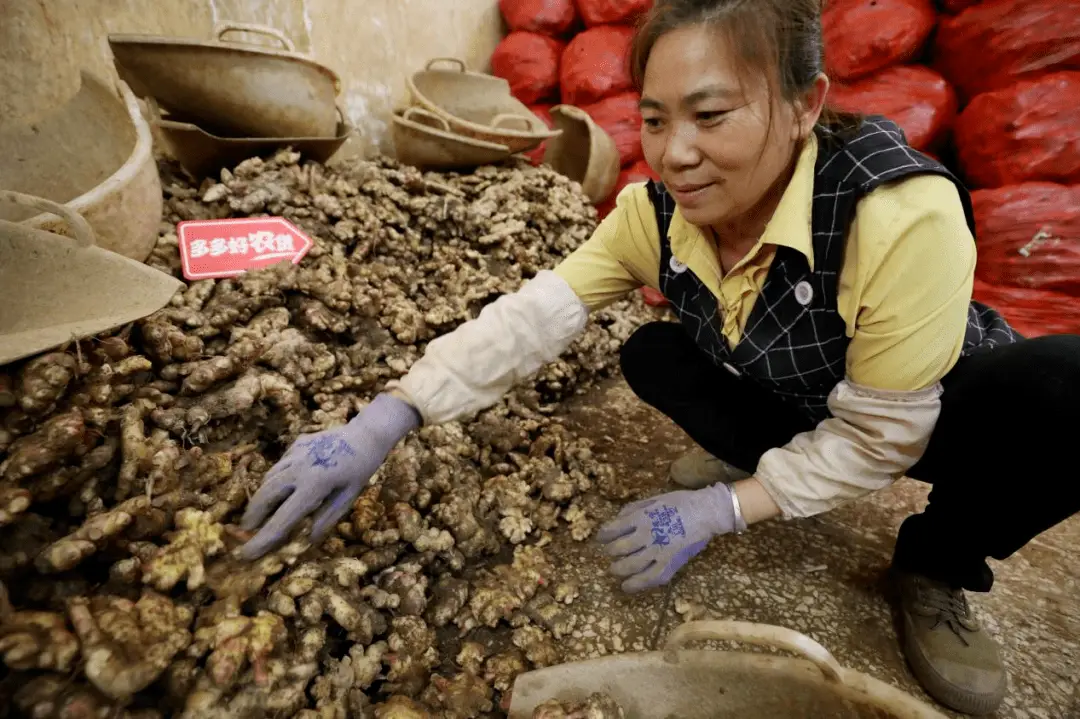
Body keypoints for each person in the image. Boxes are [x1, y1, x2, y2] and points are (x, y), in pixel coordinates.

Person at [236, 0, 1080, 714]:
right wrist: (391, 413)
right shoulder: (656, 213)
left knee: (1064, 389)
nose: (675, 153)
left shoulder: (898, 211)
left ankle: (936, 561)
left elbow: (879, 443)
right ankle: (768, 462)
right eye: (654, 118)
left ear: (803, 103)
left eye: (711, 116)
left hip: (925, 404)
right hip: (797, 391)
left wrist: (723, 510)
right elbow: (538, 312)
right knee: (653, 354)